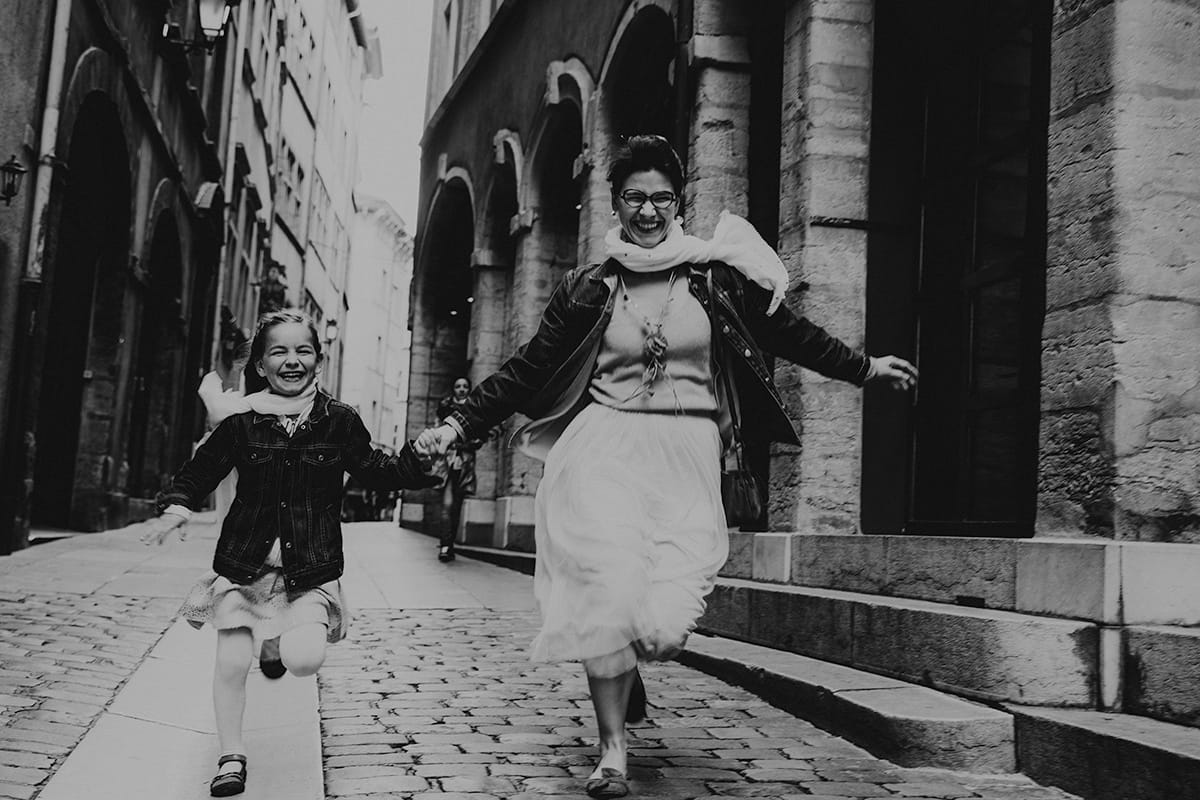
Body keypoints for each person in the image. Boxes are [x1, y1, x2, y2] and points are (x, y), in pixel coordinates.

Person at [418, 134, 917, 798]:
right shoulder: (589, 287)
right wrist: (459, 423)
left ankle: (629, 658)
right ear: (616, 202)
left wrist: (864, 368)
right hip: (603, 448)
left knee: (661, 627)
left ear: (678, 200)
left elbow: (789, 333)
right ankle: (612, 752)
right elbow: (527, 369)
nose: (648, 211)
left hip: (687, 452)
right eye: (634, 198)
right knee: (607, 590)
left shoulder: (717, 277)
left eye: (660, 197)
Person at [139, 309, 438, 797]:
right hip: (245, 564)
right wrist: (176, 505)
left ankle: (276, 644)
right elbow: (203, 469)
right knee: (233, 663)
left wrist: (423, 463)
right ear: (260, 362)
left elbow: (379, 470)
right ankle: (231, 757)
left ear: (319, 360)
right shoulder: (241, 421)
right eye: (278, 350)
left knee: (304, 659)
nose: (291, 360)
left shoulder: (339, 420)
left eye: (303, 350)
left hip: (308, 569)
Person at [433, 377, 479, 562]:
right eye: (458, 386)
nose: (461, 389)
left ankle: (449, 544)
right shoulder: (445, 408)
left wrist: (466, 444)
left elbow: (481, 435)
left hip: (465, 462)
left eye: (465, 386)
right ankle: (445, 545)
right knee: (447, 504)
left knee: (457, 507)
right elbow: (437, 432)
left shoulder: (475, 409)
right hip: (447, 461)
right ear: (453, 389)